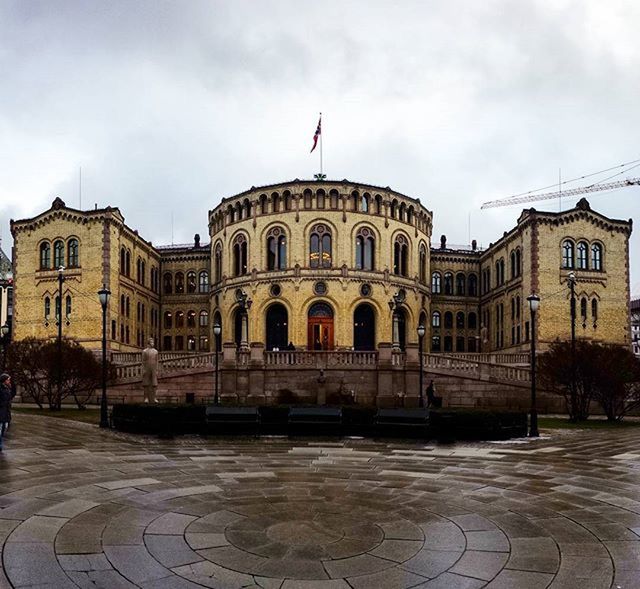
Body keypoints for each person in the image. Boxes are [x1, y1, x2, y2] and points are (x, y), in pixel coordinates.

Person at [141, 338, 159, 403]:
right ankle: (146, 398)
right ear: (148, 343)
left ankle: (154, 398)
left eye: (153, 342)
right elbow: (143, 361)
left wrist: (157, 370)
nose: (153, 343)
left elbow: (157, 361)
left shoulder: (156, 351)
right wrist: (143, 369)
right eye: (151, 342)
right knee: (146, 383)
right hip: (147, 368)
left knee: (154, 383)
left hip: (153, 368)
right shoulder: (144, 351)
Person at [0, 373, 12, 451]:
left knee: (4, 428)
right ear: (4, 380)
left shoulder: (7, 388)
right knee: (0, 429)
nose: (9, 381)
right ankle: (0, 445)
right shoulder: (1, 389)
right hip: (1, 412)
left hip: (6, 412)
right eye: (8, 379)